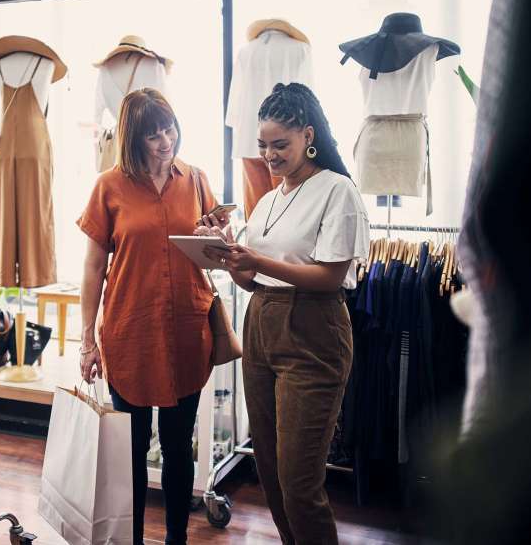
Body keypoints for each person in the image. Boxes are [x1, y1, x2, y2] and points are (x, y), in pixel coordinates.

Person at [199, 83, 369, 545]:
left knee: (299, 482)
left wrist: (258, 262)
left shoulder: (337, 191)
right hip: (261, 326)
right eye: (263, 146)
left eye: (280, 145)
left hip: (313, 330)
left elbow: (331, 277)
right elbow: (254, 281)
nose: (269, 156)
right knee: (271, 474)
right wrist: (231, 258)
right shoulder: (270, 200)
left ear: (308, 136)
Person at [77, 87, 227, 545]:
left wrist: (216, 236)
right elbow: (92, 267)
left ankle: (176, 540)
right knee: (133, 451)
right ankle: (135, 540)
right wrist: (87, 339)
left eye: (170, 129)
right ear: (133, 140)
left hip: (186, 330)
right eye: (153, 136)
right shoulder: (109, 186)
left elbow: (215, 254)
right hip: (130, 332)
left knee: (180, 447)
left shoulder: (197, 180)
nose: (166, 141)